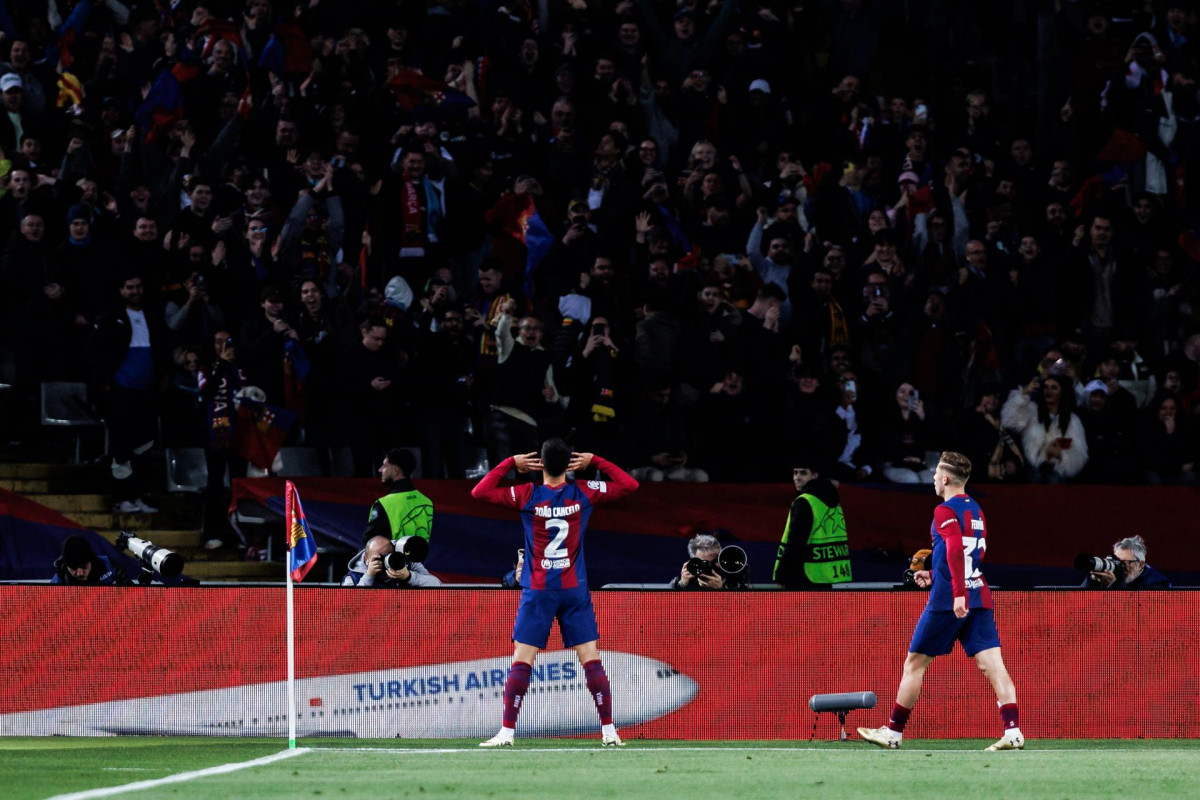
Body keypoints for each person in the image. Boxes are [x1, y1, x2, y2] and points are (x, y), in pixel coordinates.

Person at [470, 438, 639, 747]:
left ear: (541, 464)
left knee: (523, 660)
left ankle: (506, 733)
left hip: (539, 589)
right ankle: (609, 731)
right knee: (591, 660)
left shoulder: (526, 495)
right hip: (574, 589)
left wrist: (510, 463)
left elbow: (479, 491)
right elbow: (630, 485)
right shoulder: (584, 492)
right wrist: (596, 459)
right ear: (571, 465)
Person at [858, 452, 1024, 752]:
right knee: (993, 666)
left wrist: (955, 592)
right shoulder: (976, 510)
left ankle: (893, 733)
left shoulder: (943, 511)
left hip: (951, 600)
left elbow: (956, 552)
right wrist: (935, 575)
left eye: (936, 473)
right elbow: (971, 556)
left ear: (946, 479)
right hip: (978, 594)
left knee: (914, 664)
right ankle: (1013, 731)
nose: (933, 478)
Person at [773, 454, 852, 588]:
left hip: (802, 576)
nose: (797, 477)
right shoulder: (832, 500)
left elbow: (795, 542)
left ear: (815, 475)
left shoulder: (805, 501)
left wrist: (782, 574)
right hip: (824, 575)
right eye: (795, 473)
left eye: (803, 473)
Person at [362, 449, 434, 545]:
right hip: (420, 558)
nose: (380, 470)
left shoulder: (384, 504)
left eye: (384, 466)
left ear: (396, 471)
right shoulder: (427, 502)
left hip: (392, 559)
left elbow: (369, 541)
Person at [342, 535, 442, 587]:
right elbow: (347, 608)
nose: (387, 560)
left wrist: (409, 577)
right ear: (366, 559)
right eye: (379, 558)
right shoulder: (352, 578)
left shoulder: (404, 563)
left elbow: (437, 585)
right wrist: (368, 577)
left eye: (389, 555)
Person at [1081, 535, 1172, 589]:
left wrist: (1113, 584)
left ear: (1140, 565)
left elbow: (1140, 614)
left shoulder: (1157, 583)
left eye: (1126, 562)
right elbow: (1077, 603)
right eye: (1116, 561)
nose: (1120, 566)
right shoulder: (1111, 575)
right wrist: (1092, 581)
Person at [669, 533, 748, 589]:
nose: (710, 567)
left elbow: (744, 609)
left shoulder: (732, 582)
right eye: (704, 563)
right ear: (694, 562)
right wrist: (681, 585)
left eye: (714, 561)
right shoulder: (687, 580)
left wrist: (722, 590)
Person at [51, 535, 132, 586]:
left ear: (91, 560)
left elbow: (132, 594)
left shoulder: (109, 566)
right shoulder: (58, 581)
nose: (79, 573)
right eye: (73, 568)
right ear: (66, 566)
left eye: (84, 567)